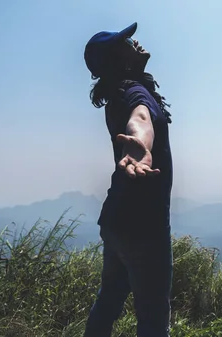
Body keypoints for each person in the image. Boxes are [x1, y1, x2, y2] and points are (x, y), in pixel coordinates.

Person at [82, 22, 174, 337]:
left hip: (117, 218)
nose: (133, 41)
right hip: (144, 225)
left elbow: (139, 109)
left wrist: (138, 71)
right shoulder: (133, 91)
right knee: (153, 318)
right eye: (125, 41)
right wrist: (141, 147)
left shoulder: (120, 90)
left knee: (108, 300)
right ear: (117, 59)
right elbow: (141, 118)